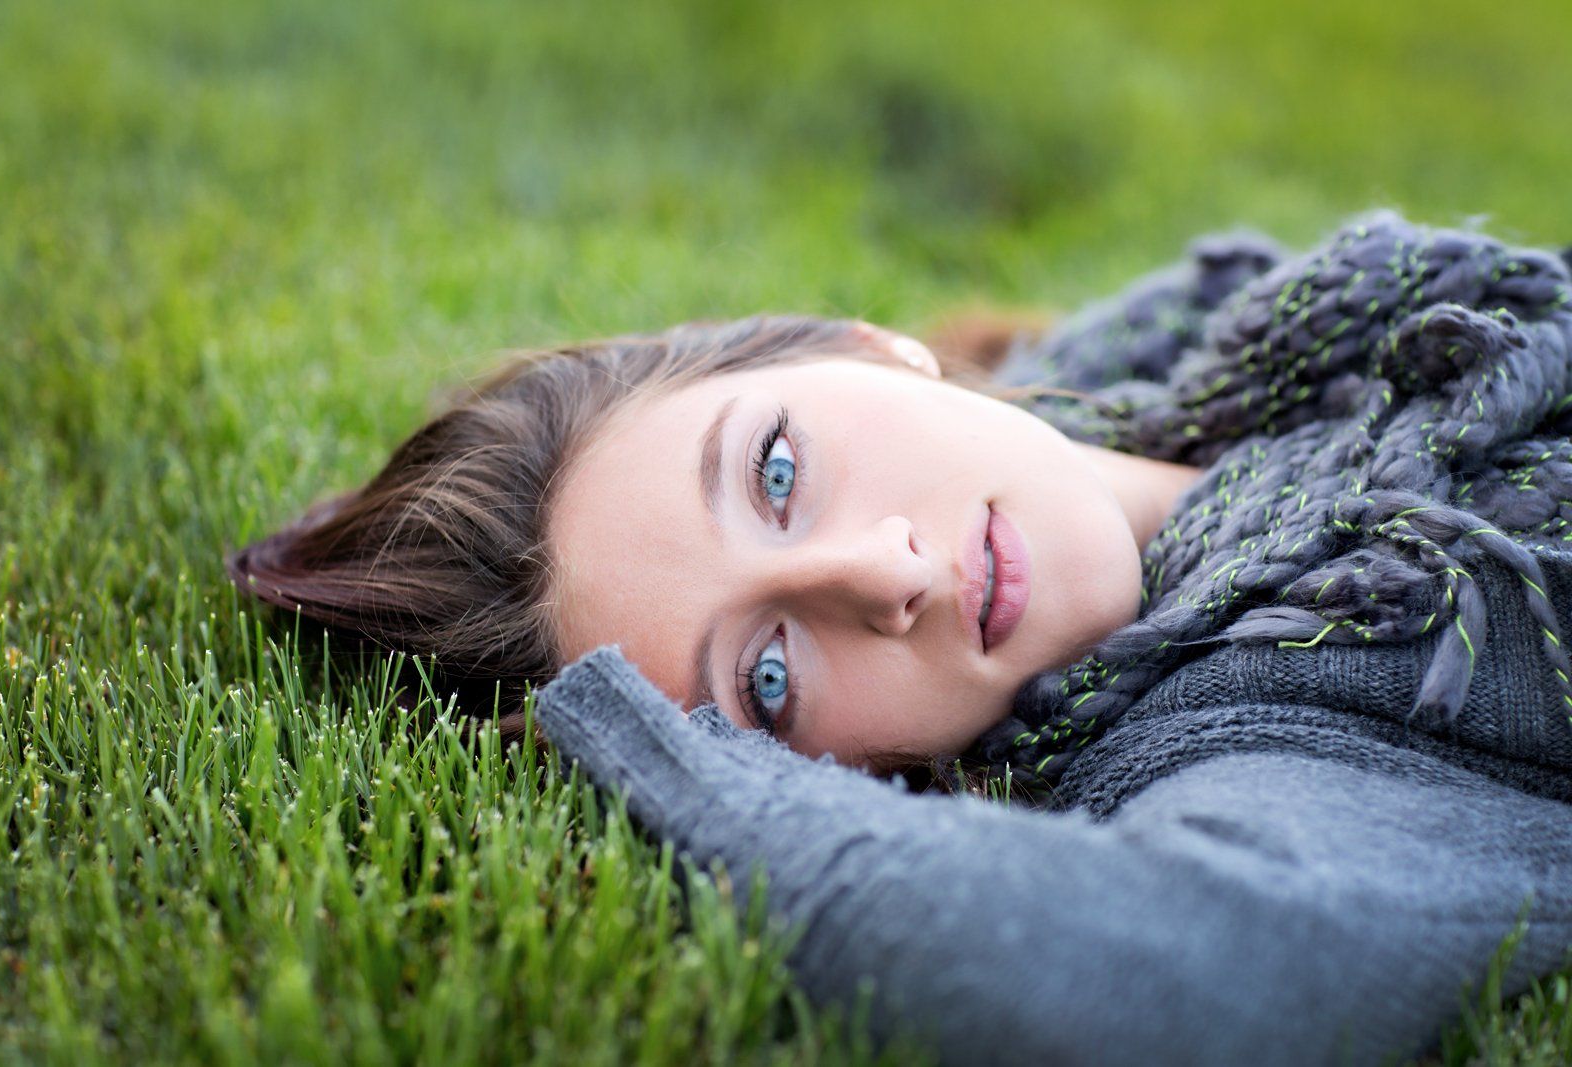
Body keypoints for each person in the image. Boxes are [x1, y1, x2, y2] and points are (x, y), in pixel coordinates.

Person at [228, 210, 1572, 1065]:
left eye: (774, 473)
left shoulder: (1243, 351)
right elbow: (1176, 983)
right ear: (839, 776)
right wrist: (626, 741)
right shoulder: (1283, 724)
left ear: (871, 352)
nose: (883, 579)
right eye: (766, 678)